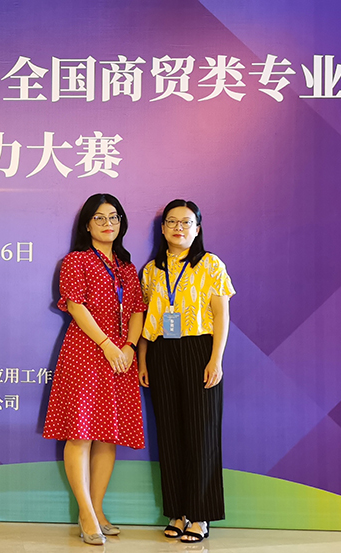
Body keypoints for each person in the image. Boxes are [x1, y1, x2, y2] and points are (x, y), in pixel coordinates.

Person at [43, 193, 146, 546]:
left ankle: (98, 509)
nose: (108, 224)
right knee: (81, 432)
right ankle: (85, 513)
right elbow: (75, 305)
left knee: (108, 434)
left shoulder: (127, 267)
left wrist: (129, 347)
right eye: (99, 218)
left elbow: (137, 310)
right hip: (87, 352)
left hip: (121, 357)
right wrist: (107, 344)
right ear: (87, 224)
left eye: (114, 217)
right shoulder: (76, 261)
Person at [137, 199, 235, 543]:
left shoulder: (211, 264)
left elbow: (221, 315)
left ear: (197, 229)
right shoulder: (152, 270)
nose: (179, 228)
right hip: (162, 351)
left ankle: (200, 515)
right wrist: (143, 360)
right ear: (163, 228)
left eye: (186, 222)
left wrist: (216, 359)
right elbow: (147, 319)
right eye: (172, 222)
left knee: (201, 433)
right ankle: (177, 511)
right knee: (169, 433)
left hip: (199, 350)